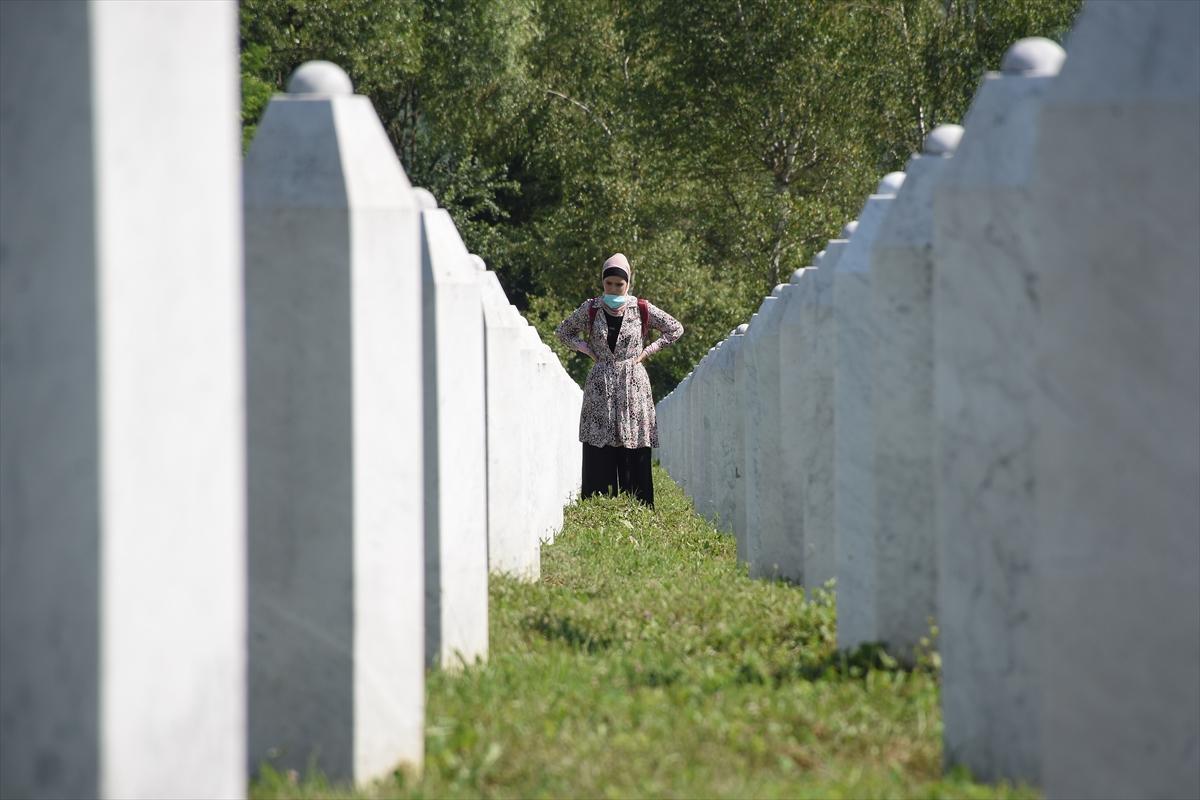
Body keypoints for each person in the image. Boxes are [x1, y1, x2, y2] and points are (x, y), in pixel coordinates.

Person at [555, 253, 684, 507]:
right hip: (600, 383)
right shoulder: (591, 308)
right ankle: (597, 506)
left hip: (632, 383)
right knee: (599, 440)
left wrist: (648, 351)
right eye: (609, 283)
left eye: (619, 284)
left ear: (627, 284)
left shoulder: (642, 308)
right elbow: (563, 331)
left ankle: (637, 506)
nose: (613, 288)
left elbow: (675, 328)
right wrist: (586, 349)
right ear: (603, 283)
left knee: (632, 438)